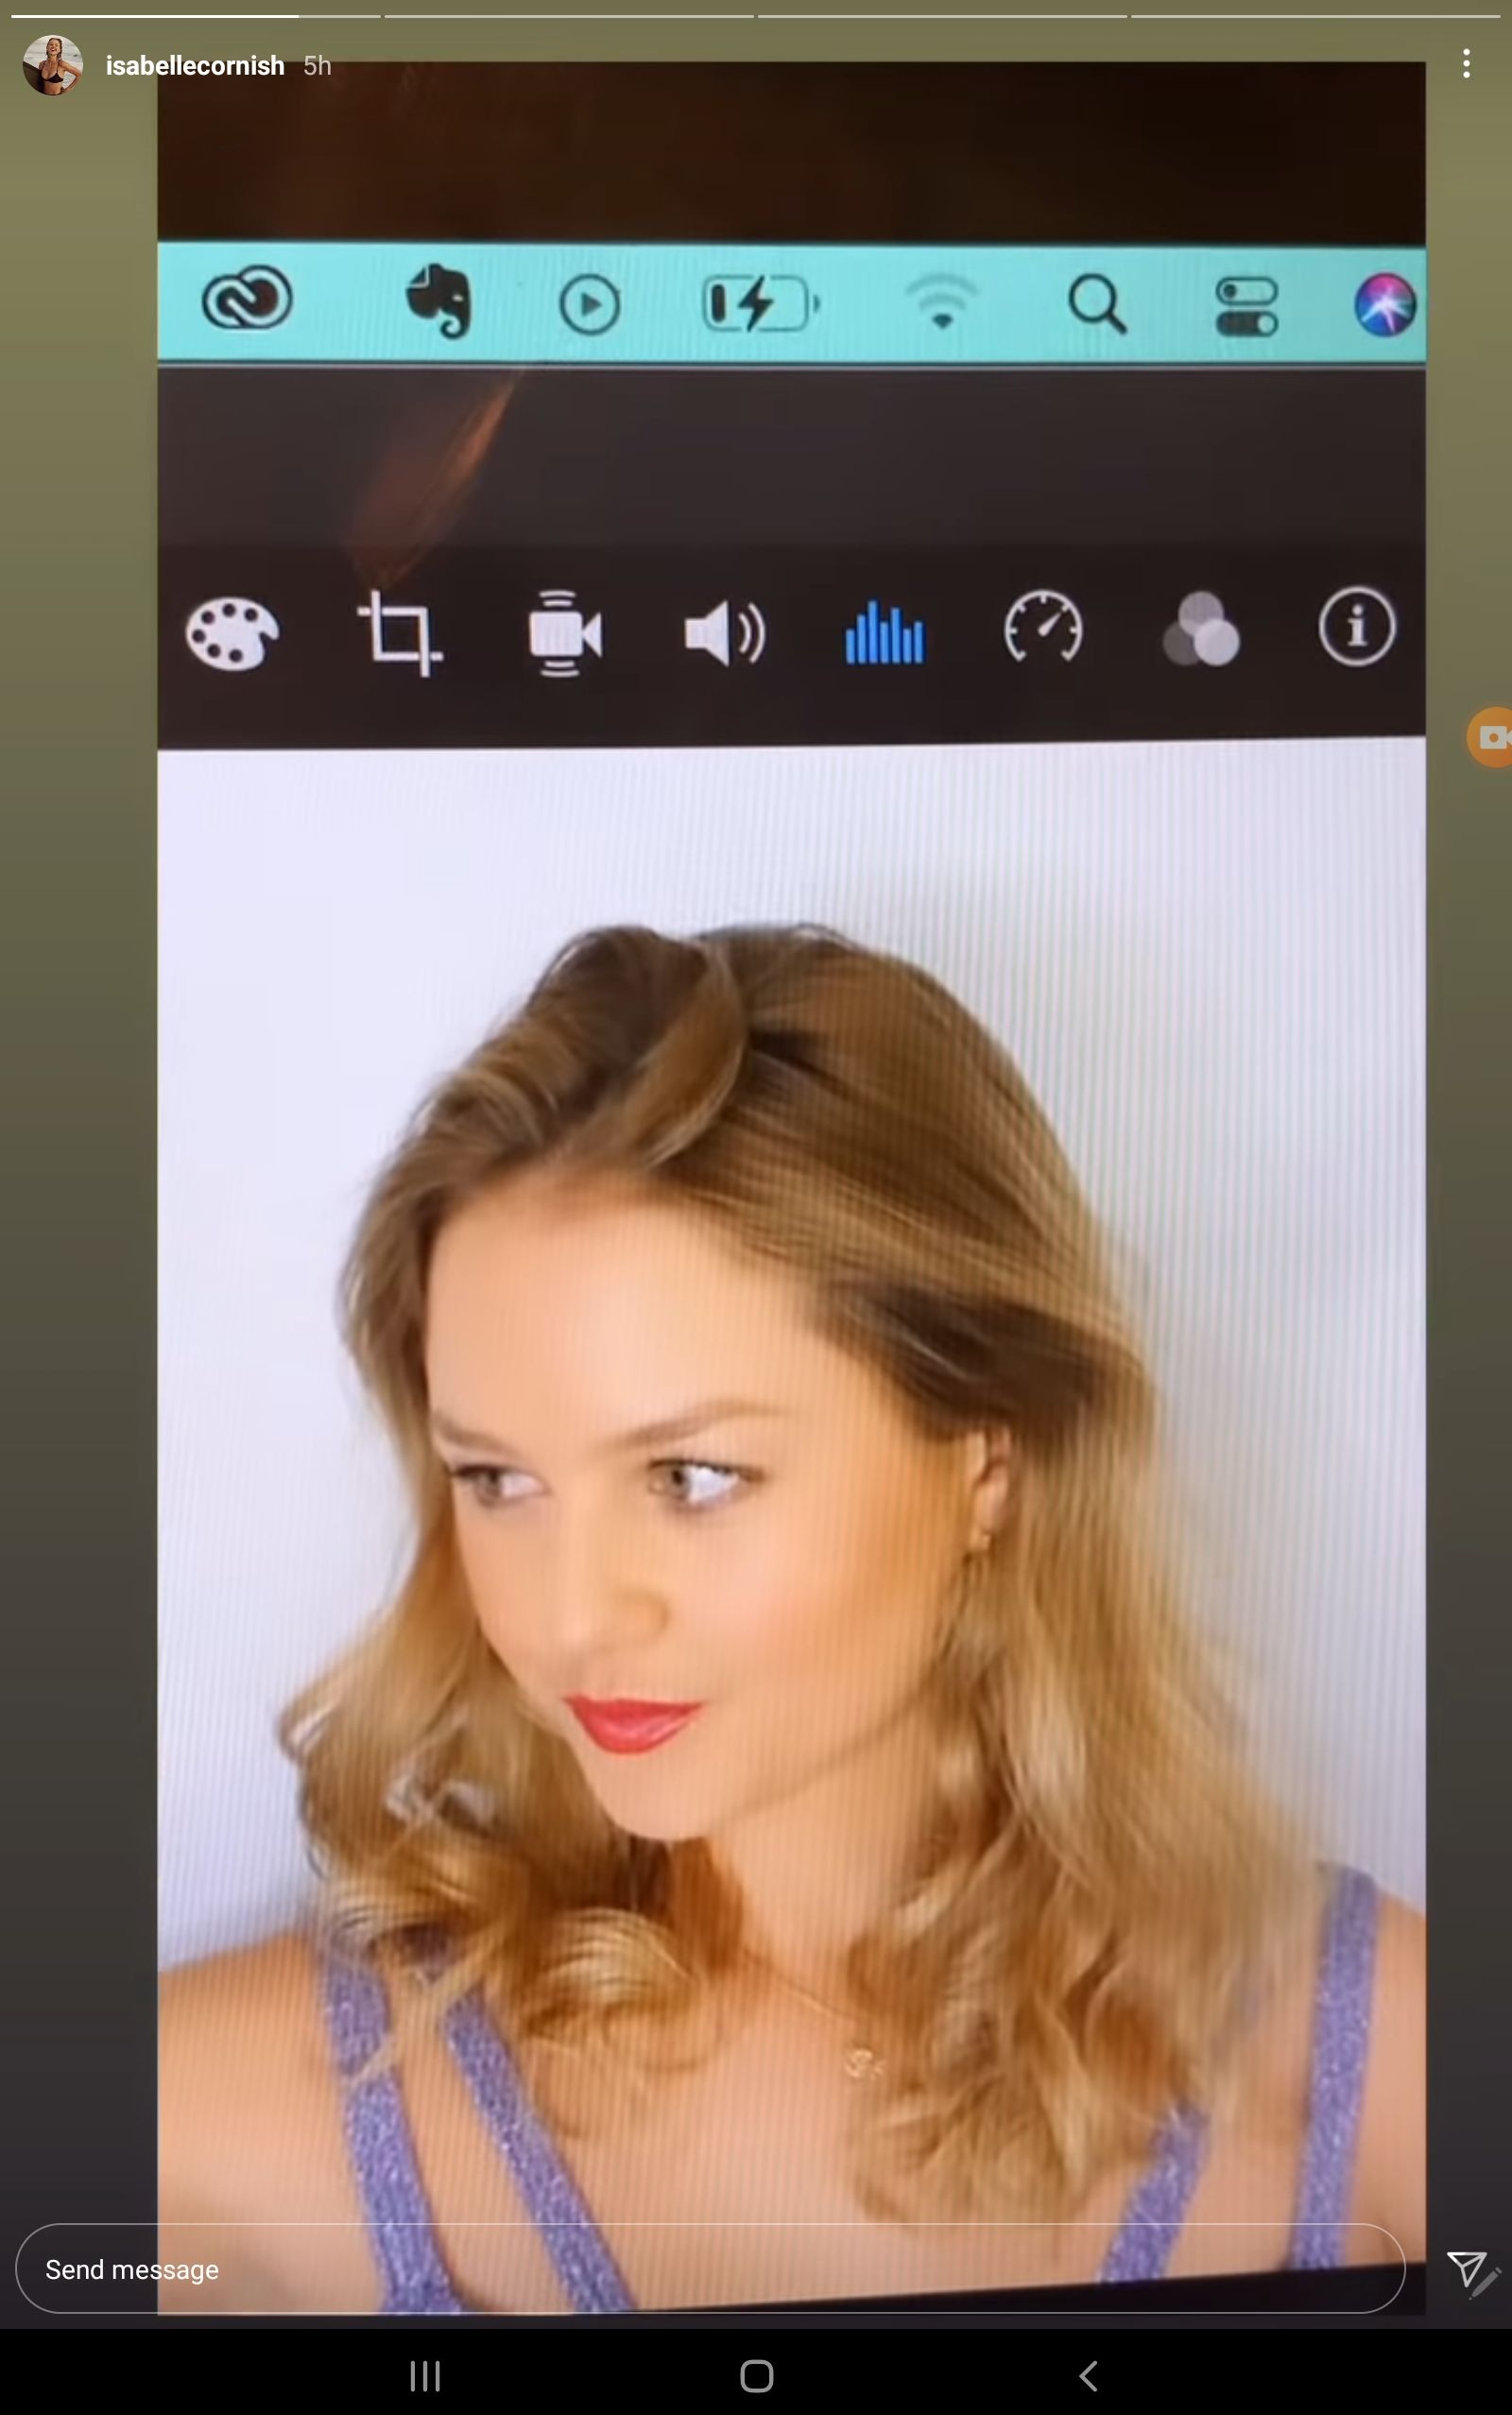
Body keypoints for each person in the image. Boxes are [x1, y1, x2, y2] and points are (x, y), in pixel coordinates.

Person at [159, 923, 1424, 2313]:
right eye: (497, 1480)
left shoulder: (1386, 2077)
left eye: (693, 1477)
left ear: (987, 1463)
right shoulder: (239, 2120)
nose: (571, 1618)